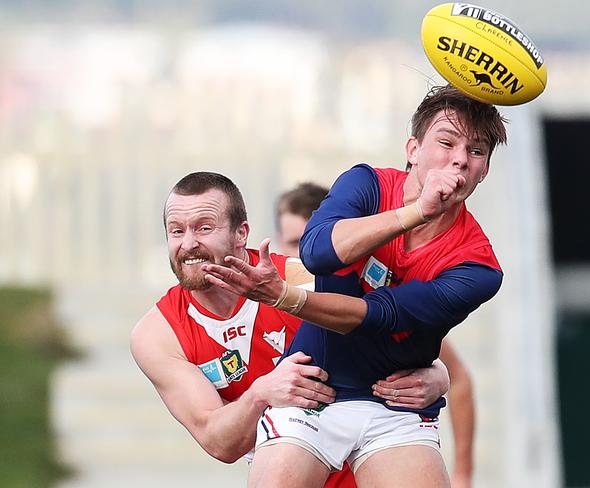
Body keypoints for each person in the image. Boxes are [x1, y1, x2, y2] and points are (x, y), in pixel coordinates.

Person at [203, 84, 507, 488]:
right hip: (311, 392)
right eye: (446, 142)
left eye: (476, 151)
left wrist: (284, 297)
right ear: (413, 149)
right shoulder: (365, 185)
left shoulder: (479, 267)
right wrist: (415, 212)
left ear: (484, 170)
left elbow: (380, 317)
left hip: (396, 408)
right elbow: (317, 253)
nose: (459, 161)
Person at [130, 172, 451, 487]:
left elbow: (401, 337)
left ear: (242, 234)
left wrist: (438, 376)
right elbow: (219, 442)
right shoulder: (158, 334)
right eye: (176, 231)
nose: (188, 244)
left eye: (204, 228)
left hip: (370, 466)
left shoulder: (303, 281)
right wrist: (261, 393)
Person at [275, 182, 477, 488]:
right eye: (293, 243)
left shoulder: (364, 305)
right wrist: (260, 392)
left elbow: (454, 375)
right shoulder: (265, 306)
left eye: (312, 241)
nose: (305, 255)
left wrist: (462, 473)